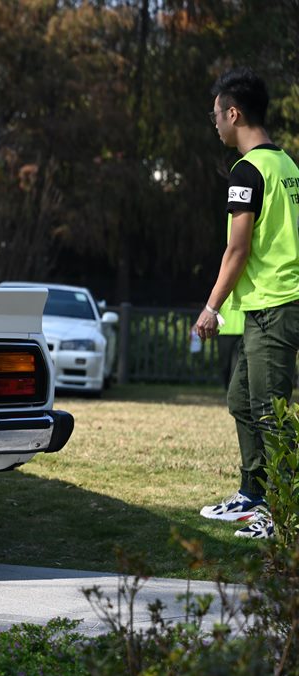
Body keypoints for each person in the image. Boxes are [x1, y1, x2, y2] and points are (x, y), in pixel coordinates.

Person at [193, 67, 299, 540]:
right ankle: (253, 496)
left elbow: (237, 249)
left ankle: (283, 512)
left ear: (234, 113)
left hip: (276, 304)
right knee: (243, 400)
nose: (214, 122)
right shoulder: (288, 166)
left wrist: (211, 306)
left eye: (216, 114)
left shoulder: (247, 170)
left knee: (271, 412)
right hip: (266, 306)